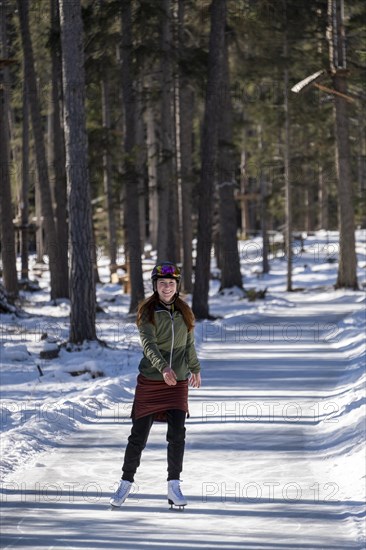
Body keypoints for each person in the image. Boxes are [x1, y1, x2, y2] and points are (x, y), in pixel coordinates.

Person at [110, 261, 201, 509]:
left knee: (177, 436)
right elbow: (148, 346)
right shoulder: (147, 312)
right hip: (152, 380)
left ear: (177, 285)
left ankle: (174, 486)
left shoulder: (184, 312)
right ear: (155, 286)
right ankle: (125, 483)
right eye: (162, 283)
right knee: (138, 436)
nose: (167, 287)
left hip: (178, 380)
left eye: (171, 283)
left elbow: (188, 344)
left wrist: (194, 368)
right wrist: (163, 368)